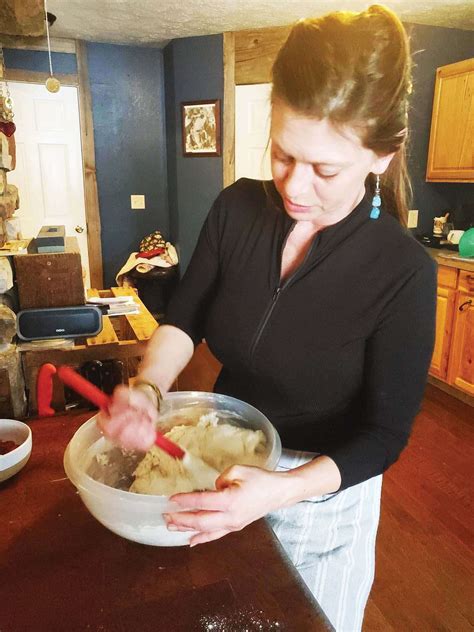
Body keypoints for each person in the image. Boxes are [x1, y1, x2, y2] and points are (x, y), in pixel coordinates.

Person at [98, 5, 436, 630]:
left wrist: (278, 488)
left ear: (382, 157)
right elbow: (184, 318)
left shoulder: (405, 272)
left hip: (319, 498)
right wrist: (147, 388)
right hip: (220, 457)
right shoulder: (235, 211)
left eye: (325, 169)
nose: (295, 187)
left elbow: (385, 435)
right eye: (283, 154)